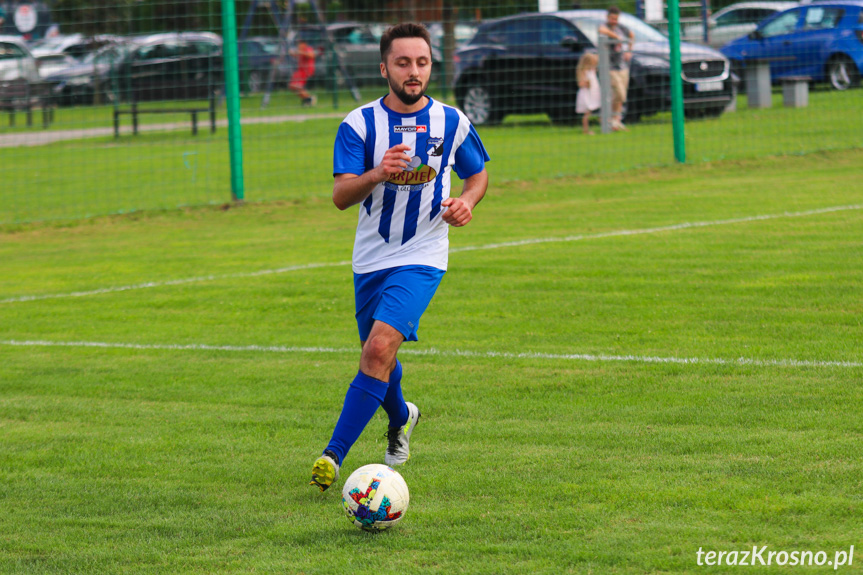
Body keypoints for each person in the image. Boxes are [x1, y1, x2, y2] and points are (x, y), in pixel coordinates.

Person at [309, 22, 490, 492]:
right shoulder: (358, 124)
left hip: (425, 253)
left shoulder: (452, 121)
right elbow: (340, 196)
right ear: (384, 66)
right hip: (371, 257)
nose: (414, 72)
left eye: (423, 62)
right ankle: (402, 417)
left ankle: (333, 456)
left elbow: (478, 175)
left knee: (378, 348)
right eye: (404, 62)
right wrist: (377, 172)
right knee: (378, 358)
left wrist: (467, 202)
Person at [598, 6, 635, 131]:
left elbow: (631, 35)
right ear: (607, 17)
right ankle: (607, 116)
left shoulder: (622, 28)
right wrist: (615, 36)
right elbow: (601, 30)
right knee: (620, 94)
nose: (614, 21)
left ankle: (615, 121)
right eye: (612, 18)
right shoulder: (605, 26)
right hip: (610, 66)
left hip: (623, 66)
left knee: (620, 95)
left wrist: (629, 50)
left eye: (616, 19)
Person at [576, 52, 601, 135]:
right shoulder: (583, 71)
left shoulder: (592, 70)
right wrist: (587, 83)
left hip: (593, 94)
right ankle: (585, 130)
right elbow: (581, 84)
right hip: (587, 95)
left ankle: (603, 124)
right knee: (587, 112)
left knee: (596, 110)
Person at [288, 40, 317, 106]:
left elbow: (312, 55)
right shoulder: (300, 50)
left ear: (304, 44)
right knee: (292, 86)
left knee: (296, 86)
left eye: (300, 44)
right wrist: (292, 53)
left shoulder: (308, 49)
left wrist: (300, 52)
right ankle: (308, 98)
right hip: (300, 70)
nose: (298, 46)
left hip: (306, 70)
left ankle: (308, 99)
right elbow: (297, 55)